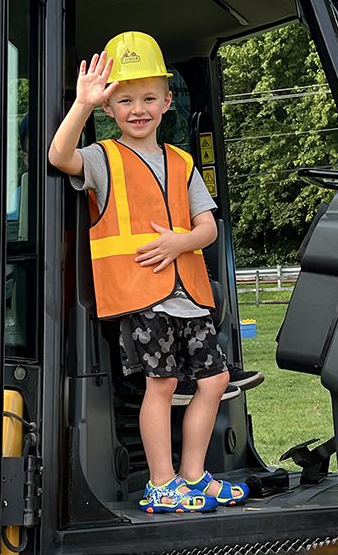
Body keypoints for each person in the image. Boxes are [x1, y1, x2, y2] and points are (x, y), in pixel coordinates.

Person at [48, 31, 249, 513]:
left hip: (190, 297)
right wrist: (81, 104)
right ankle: (162, 482)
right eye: (124, 100)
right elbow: (59, 156)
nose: (137, 109)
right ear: (110, 108)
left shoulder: (181, 162)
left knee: (215, 381)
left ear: (165, 102)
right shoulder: (102, 159)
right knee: (160, 385)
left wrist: (180, 241)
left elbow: (208, 228)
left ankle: (193, 475)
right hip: (143, 299)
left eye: (148, 98)